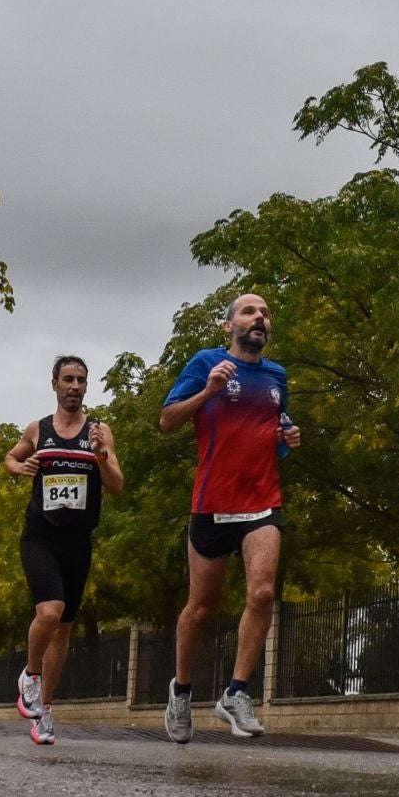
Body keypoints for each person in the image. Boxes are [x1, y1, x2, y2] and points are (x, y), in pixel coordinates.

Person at [158, 294, 301, 743]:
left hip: (262, 501)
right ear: (228, 325)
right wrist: (208, 391)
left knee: (262, 593)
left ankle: (236, 693)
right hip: (213, 504)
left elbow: (273, 431)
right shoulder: (206, 363)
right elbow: (167, 421)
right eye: (249, 311)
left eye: (265, 313)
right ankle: (181, 691)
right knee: (201, 608)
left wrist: (287, 437)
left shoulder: (277, 375)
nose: (260, 317)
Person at [2, 356, 124, 745]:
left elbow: (117, 485)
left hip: (78, 542)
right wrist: (17, 467)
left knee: (64, 628)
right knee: (49, 612)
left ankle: (45, 711)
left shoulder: (99, 430)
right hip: (40, 536)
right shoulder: (38, 429)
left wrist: (100, 455)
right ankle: (30, 675)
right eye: (68, 379)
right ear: (54, 384)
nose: (74, 386)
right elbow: (11, 457)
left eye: (81, 380)